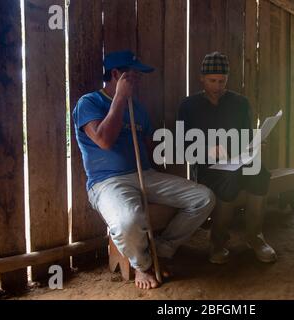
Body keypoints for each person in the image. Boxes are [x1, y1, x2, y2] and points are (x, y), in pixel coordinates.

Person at [73, 50, 215, 289]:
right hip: (108, 182)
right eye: (133, 75)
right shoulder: (89, 102)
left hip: (146, 175)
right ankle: (143, 264)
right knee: (128, 220)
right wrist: (119, 98)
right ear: (116, 74)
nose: (138, 80)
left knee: (204, 197)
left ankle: (163, 248)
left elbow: (151, 147)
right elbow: (104, 141)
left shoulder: (137, 108)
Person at [178, 52, 277, 264]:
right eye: (212, 81)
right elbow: (182, 145)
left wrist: (256, 142)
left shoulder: (239, 102)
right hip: (207, 167)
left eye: (222, 81)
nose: (217, 86)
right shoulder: (188, 106)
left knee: (260, 173)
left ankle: (255, 237)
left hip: (238, 160)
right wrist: (206, 149)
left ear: (227, 79)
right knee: (228, 181)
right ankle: (218, 241)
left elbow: (246, 135)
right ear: (201, 79)